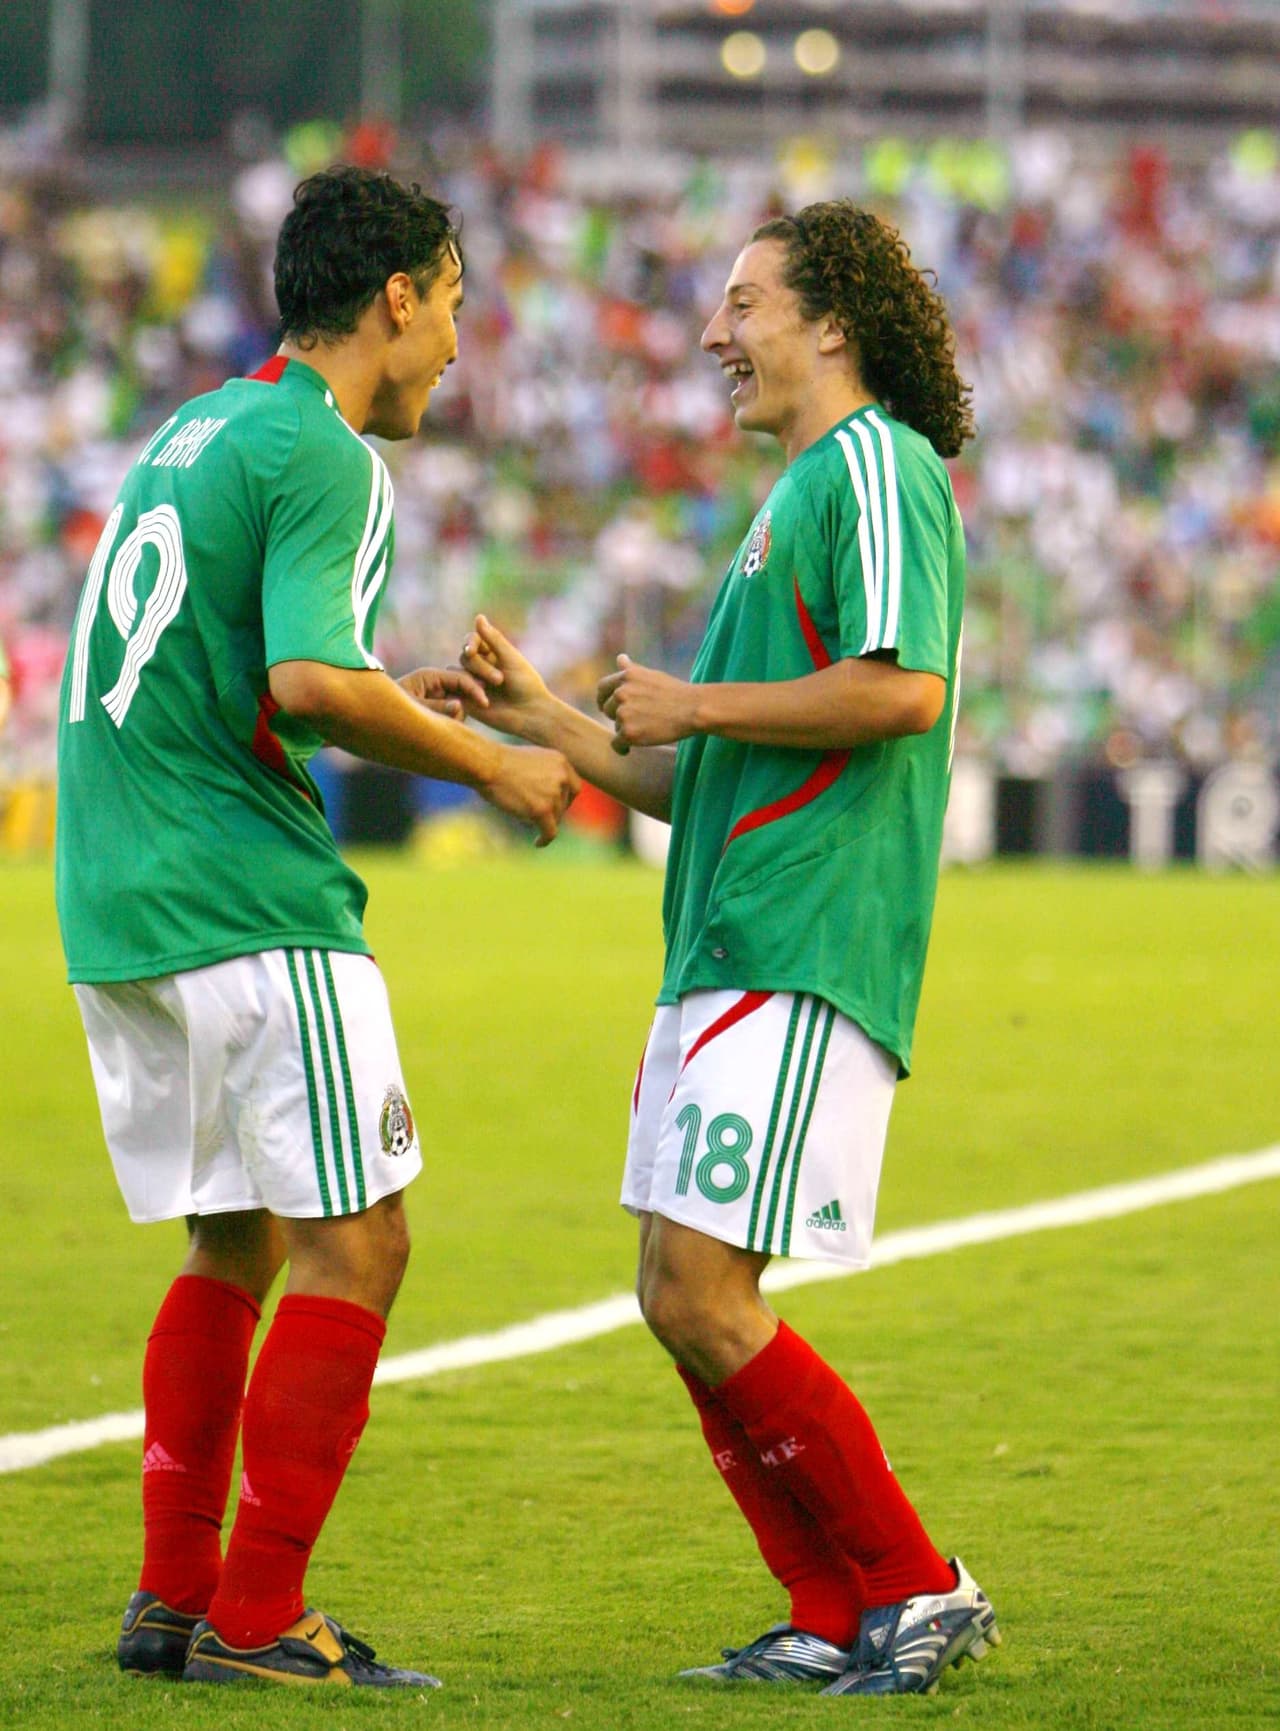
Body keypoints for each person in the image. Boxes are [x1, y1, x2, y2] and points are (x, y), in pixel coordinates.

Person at [461, 200, 998, 1698]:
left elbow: (901, 691)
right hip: (722, 940)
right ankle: (829, 1609)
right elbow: (699, 778)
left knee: (703, 1290)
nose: (714, 333)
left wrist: (693, 700)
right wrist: (547, 719)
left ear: (832, 323)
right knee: (672, 1291)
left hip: (801, 936)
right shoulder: (793, 501)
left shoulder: (877, 465)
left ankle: (916, 1585)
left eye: (744, 305)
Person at [54, 164, 578, 1690]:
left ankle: (174, 1597)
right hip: (246, 899)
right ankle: (262, 1613)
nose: (458, 347)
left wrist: (381, 698)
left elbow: (251, 674)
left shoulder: (197, 431)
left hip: (121, 898)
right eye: (455, 307)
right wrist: (490, 762)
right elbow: (306, 684)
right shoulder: (328, 452)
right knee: (362, 1238)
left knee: (238, 1231)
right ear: (395, 298)